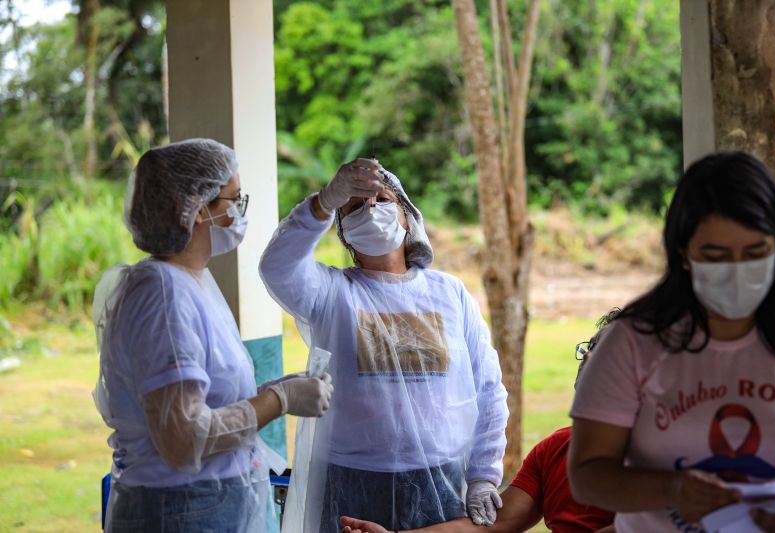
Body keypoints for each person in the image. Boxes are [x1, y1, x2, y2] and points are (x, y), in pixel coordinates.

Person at [92, 138, 334, 532]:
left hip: (204, 505)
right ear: (194, 208)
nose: (239, 212)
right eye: (233, 200)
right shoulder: (162, 294)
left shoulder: (192, 280)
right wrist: (279, 399)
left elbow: (203, 399)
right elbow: (182, 437)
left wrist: (273, 389)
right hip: (178, 509)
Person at [259, 158, 509, 531]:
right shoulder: (330, 292)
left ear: (409, 216)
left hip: (440, 480)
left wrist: (483, 474)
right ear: (343, 234)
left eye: (382, 199)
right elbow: (277, 266)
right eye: (355, 205)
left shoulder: (449, 294)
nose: (371, 208)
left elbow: (487, 388)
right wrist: (324, 203)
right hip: (352, 480)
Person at [567, 151, 775, 533]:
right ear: (684, 255)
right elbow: (587, 475)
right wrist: (671, 490)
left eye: (756, 253)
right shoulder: (632, 343)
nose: (737, 272)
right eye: (716, 256)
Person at [339, 311, 620, 533]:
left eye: (609, 351)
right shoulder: (555, 448)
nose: (590, 357)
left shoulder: (656, 453)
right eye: (591, 347)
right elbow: (496, 524)